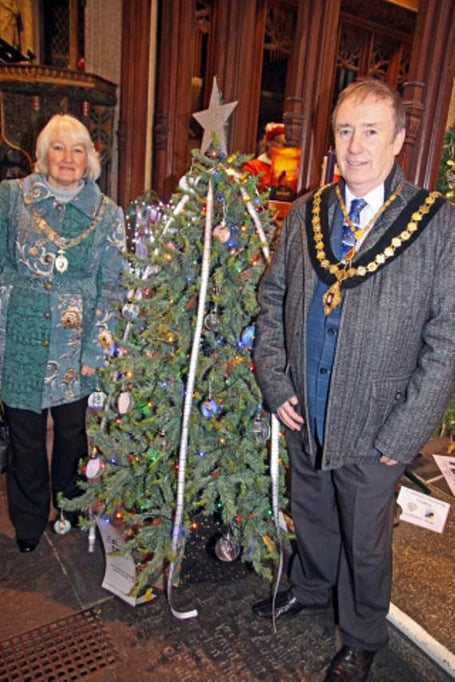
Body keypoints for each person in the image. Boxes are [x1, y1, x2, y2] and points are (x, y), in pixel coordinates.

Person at [252, 78, 455, 681]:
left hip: (378, 422)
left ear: (397, 140)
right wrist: (276, 380)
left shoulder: (436, 223)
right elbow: (272, 299)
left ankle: (364, 635)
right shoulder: (307, 212)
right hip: (304, 407)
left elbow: (447, 338)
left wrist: (406, 432)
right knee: (311, 511)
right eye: (345, 131)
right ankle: (312, 587)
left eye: (371, 131)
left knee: (366, 542)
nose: (356, 145)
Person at [0, 114, 126, 553]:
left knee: (72, 433)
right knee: (25, 434)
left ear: (89, 159)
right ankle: (29, 519)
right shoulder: (10, 198)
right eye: (58, 148)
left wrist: (97, 349)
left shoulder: (108, 214)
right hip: (18, 336)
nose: (68, 158)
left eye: (77, 150)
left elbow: (114, 287)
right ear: (43, 155)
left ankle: (70, 506)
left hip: (77, 343)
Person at [243, 122, 286, 192]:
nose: (283, 148)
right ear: (269, 142)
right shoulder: (252, 166)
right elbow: (248, 189)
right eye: (281, 143)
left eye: (286, 145)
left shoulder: (290, 169)